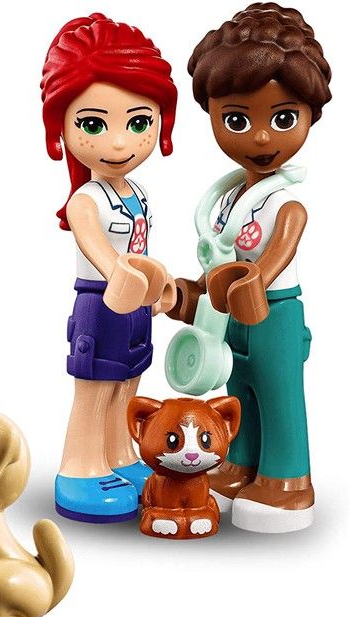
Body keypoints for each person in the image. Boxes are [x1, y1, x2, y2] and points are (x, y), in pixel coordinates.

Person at [172, 3, 332, 533]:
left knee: (279, 394)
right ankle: (239, 463)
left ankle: (288, 480)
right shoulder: (227, 200)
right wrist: (194, 291)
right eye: (237, 120)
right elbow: (219, 252)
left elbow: (275, 254)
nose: (261, 138)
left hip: (273, 312)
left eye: (283, 118)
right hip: (231, 311)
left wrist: (253, 279)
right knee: (238, 388)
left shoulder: (285, 203)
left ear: (309, 115)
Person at [40, 14, 178, 523]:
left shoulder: (137, 192)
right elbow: (102, 253)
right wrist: (130, 277)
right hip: (101, 302)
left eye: (138, 123)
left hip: (135, 304)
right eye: (94, 124)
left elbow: (141, 250)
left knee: (128, 381)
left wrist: (159, 285)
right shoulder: (86, 200)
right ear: (61, 127)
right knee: (96, 387)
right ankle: (80, 468)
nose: (119, 143)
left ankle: (118, 455)